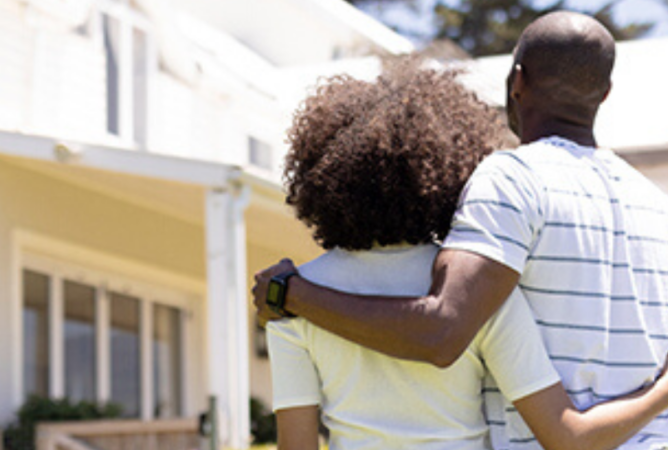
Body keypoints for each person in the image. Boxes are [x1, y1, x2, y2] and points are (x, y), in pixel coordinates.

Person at [254, 11, 668, 450]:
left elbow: (441, 330)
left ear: (518, 81)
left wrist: (293, 294)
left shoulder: (512, 180)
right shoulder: (656, 203)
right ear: (605, 94)